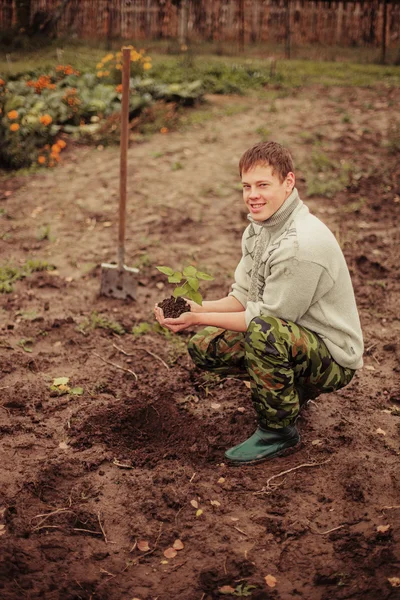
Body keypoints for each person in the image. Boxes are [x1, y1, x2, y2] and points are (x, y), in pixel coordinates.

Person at [154, 141, 363, 465]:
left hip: (332, 357)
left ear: (288, 183)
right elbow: (243, 297)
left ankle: (278, 431)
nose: (253, 194)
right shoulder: (260, 229)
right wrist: (196, 309)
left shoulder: (299, 244)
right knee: (206, 346)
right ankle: (289, 391)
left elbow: (263, 318)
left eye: (263, 185)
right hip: (292, 333)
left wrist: (200, 317)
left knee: (264, 332)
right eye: (246, 186)